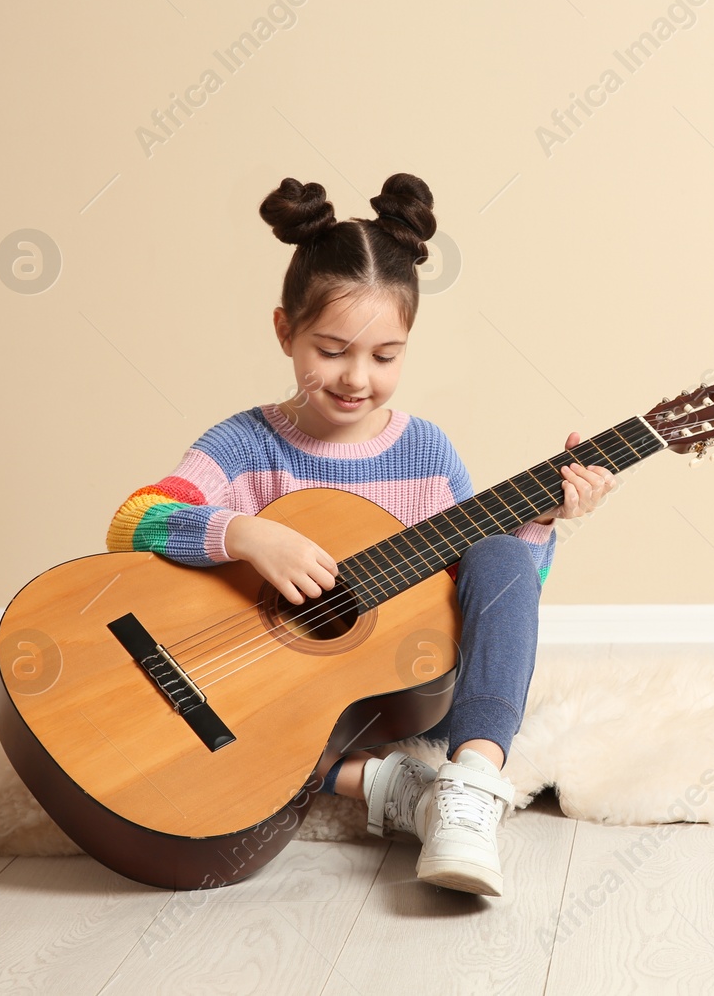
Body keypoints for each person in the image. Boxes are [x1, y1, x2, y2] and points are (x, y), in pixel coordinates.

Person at [103, 174, 616, 897]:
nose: (356, 378)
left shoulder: (427, 453)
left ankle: (468, 785)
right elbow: (134, 520)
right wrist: (246, 535)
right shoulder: (245, 444)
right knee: (229, 754)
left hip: (397, 690)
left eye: (385, 355)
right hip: (269, 698)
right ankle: (387, 784)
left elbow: (496, 598)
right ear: (284, 330)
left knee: (498, 546)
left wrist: (543, 521)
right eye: (332, 349)